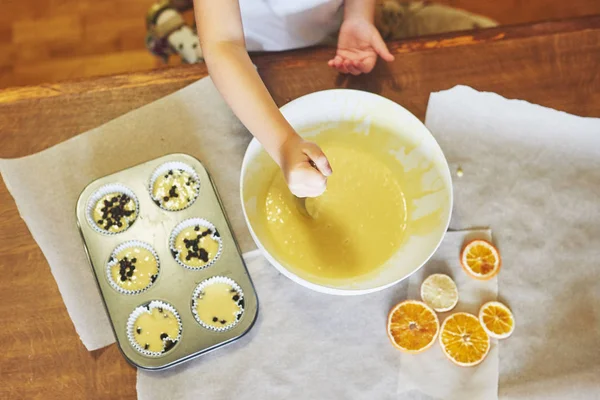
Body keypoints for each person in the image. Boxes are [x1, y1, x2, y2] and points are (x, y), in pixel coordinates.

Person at [192, 0, 397, 198]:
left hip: (326, 37)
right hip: (246, 55)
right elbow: (222, 43)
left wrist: (358, 14)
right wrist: (283, 144)